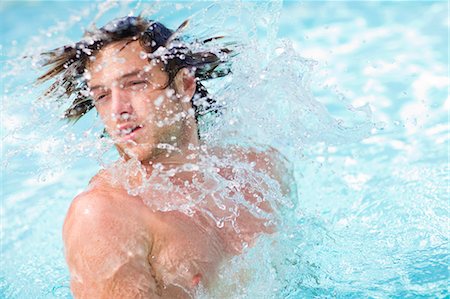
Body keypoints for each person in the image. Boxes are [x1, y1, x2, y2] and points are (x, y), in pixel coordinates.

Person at [37, 16, 291, 298]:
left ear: (184, 85)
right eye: (102, 96)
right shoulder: (104, 218)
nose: (118, 110)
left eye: (135, 83)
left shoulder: (259, 171)